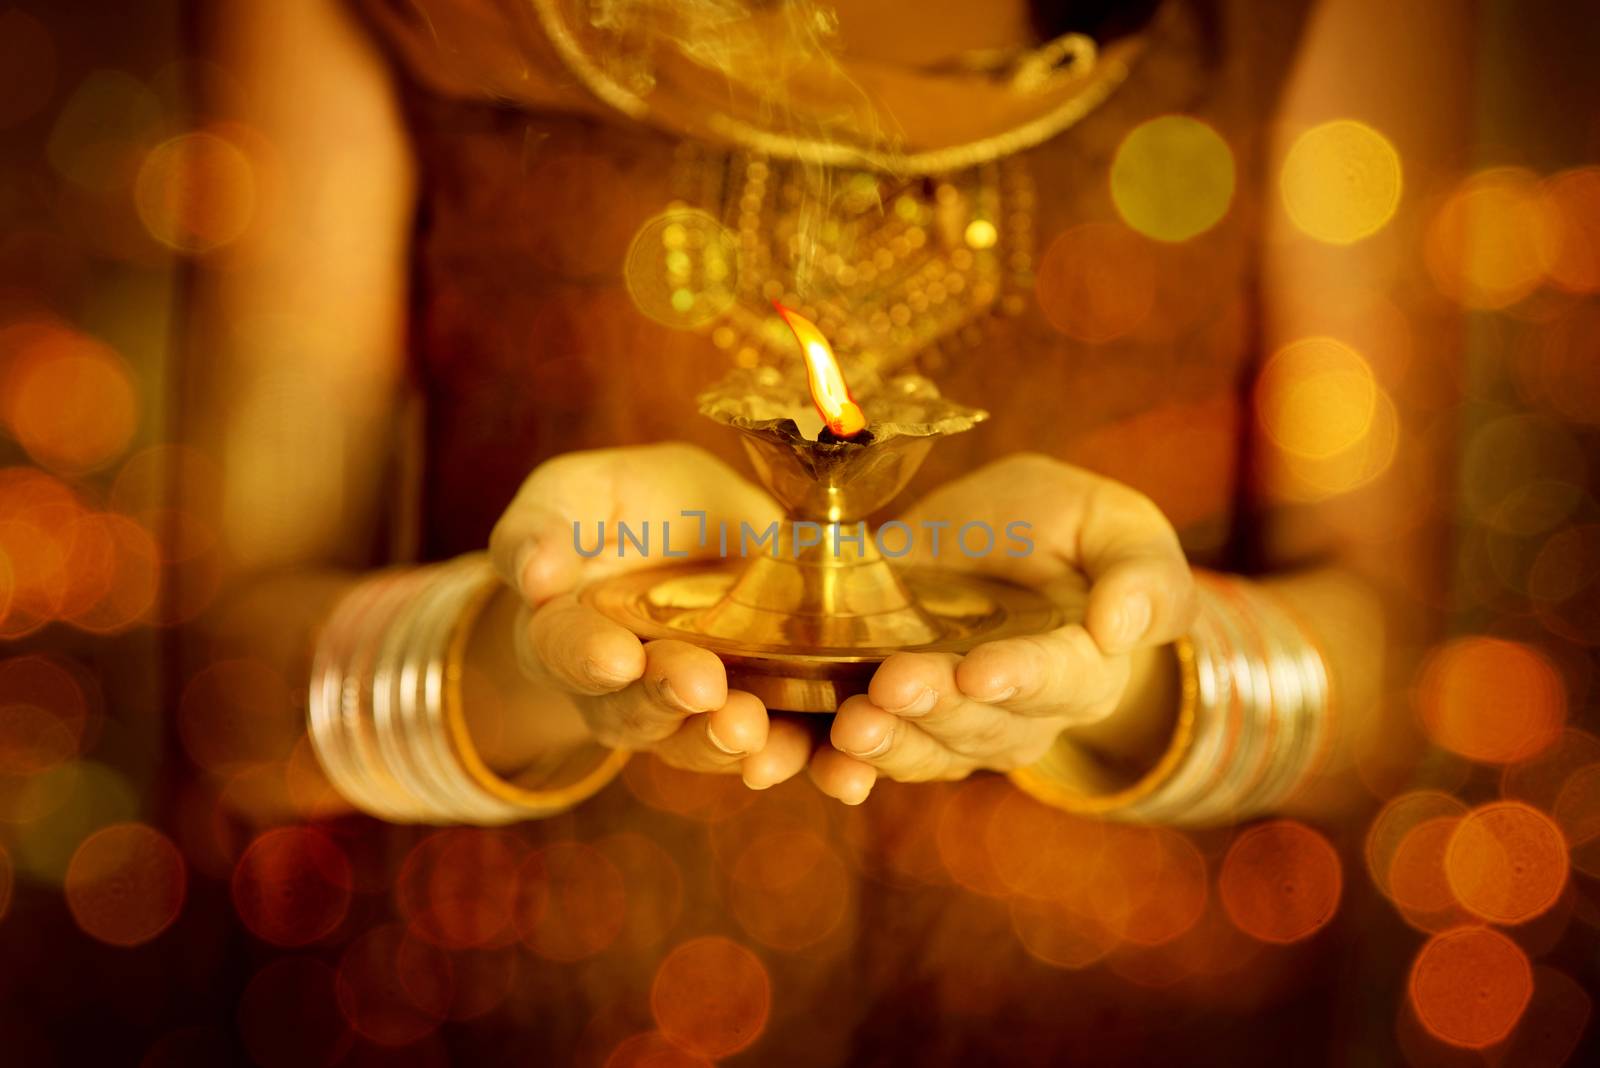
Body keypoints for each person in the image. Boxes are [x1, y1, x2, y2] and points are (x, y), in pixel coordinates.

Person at [183, 0, 1467, 1059]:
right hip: (525, 1015)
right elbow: (232, 698)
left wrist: (1119, 674)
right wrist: (519, 661)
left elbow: (1396, 683)